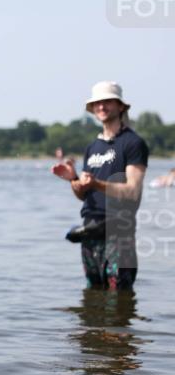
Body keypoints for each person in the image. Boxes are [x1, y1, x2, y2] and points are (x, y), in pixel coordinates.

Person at [51, 81, 149, 290]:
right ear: (93, 109)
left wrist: (96, 183)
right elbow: (85, 194)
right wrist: (73, 180)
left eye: (107, 102)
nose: (102, 107)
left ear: (120, 106)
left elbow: (132, 191)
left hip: (119, 231)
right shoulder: (92, 147)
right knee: (91, 297)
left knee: (119, 298)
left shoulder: (133, 143)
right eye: (97, 103)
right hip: (90, 230)